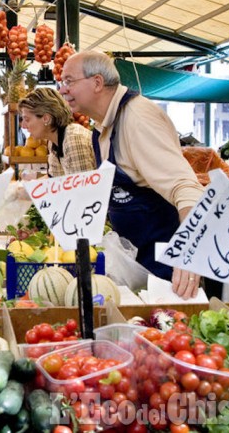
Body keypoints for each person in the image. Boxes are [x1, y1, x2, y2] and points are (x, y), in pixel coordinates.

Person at [59, 51, 204, 299]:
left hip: (168, 276)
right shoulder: (103, 126)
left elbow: (187, 188)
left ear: (97, 82)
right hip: (139, 268)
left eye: (69, 81)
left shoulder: (137, 119)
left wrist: (190, 255)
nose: (63, 90)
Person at [19, 87, 96, 177]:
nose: (23, 126)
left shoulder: (73, 139)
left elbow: (83, 188)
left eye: (27, 119)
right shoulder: (53, 142)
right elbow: (54, 180)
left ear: (46, 118)